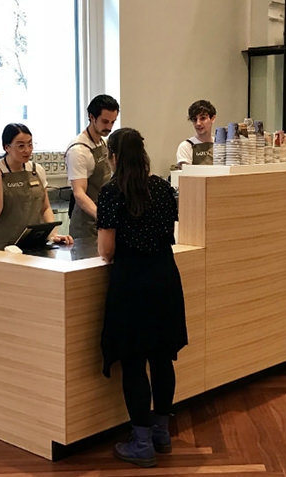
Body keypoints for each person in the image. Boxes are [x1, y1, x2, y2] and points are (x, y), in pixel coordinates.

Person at [97, 128, 188, 468]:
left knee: (134, 362)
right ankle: (162, 432)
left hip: (131, 282)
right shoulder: (163, 188)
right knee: (162, 357)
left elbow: (106, 251)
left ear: (115, 157)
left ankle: (141, 441)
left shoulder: (111, 192)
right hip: (165, 277)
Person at [0, 123, 73, 250]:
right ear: (7, 147)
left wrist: (53, 234)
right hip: (5, 248)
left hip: (36, 244)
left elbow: (45, 208)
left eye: (30, 144)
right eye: (21, 146)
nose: (27, 150)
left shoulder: (37, 170)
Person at [65, 94, 120, 240]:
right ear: (91, 117)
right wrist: (101, 216)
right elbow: (79, 193)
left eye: (113, 122)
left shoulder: (103, 143)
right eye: (105, 121)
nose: (109, 127)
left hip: (103, 218)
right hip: (86, 225)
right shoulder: (79, 151)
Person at [174, 99, 216, 169]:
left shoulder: (220, 145)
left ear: (213, 118)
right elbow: (187, 176)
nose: (198, 123)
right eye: (194, 119)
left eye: (203, 118)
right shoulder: (186, 146)